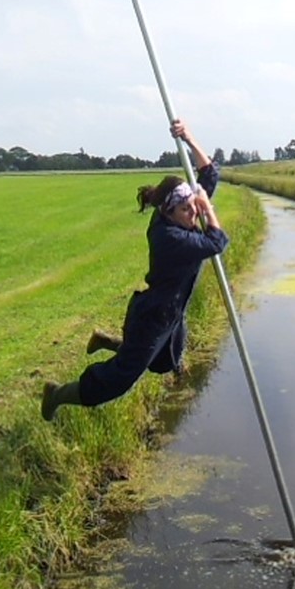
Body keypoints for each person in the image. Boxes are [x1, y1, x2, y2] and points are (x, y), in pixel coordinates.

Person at [41, 120, 228, 421]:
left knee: (165, 362)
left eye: (193, 206)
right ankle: (57, 394)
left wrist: (189, 138)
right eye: (187, 210)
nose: (193, 212)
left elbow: (209, 174)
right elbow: (217, 241)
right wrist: (208, 210)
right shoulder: (170, 237)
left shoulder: (179, 217)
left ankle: (107, 342)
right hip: (154, 315)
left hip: (171, 311)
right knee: (119, 380)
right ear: (168, 212)